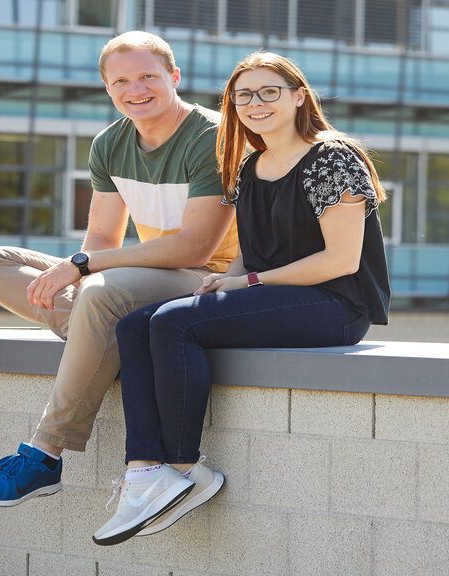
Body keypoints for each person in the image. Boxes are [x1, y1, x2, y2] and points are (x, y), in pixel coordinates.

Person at [91, 52, 391, 545]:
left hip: (335, 305)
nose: (256, 103)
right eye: (244, 95)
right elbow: (251, 253)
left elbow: (341, 260)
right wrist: (223, 279)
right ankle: (145, 472)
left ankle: (185, 468)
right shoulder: (250, 165)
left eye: (269, 91)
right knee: (133, 326)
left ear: (298, 97)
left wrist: (247, 284)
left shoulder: (332, 156)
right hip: (274, 296)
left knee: (172, 323)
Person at [0, 31, 237, 506]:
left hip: (208, 279)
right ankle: (105, 333)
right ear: (107, 88)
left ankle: (43, 455)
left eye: (148, 76)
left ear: (174, 77)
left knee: (100, 292)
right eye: (121, 80)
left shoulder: (213, 138)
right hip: (146, 281)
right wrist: (84, 269)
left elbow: (193, 248)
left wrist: (85, 268)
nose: (136, 89)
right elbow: (105, 237)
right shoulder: (110, 143)